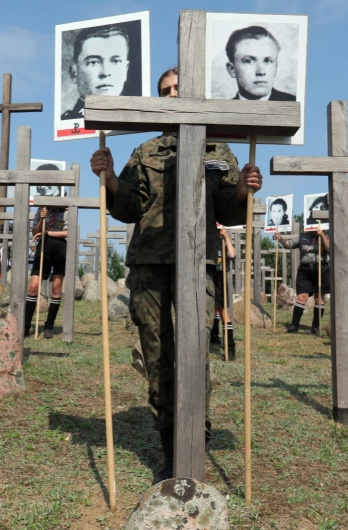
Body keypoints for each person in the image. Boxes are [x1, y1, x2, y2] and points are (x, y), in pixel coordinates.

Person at [89, 67, 263, 484]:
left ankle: (194, 441)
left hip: (197, 261)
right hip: (149, 262)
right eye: (165, 91)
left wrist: (243, 189)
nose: (172, 95)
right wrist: (110, 178)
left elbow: (227, 208)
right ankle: (169, 446)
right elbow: (130, 206)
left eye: (178, 88)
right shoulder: (145, 150)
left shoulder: (218, 148)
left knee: (194, 352)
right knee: (157, 352)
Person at [61, 25, 130, 120]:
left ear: (125, 70)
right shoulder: (68, 120)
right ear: (74, 73)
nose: (105, 72)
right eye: (93, 62)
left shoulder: (136, 116)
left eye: (115, 61)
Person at [275, 226, 330, 335]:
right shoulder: (302, 236)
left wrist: (322, 235)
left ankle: (315, 326)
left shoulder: (327, 236)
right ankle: (294, 325)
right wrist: (280, 239)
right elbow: (289, 244)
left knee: (319, 298)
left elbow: (330, 250)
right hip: (305, 270)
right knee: (301, 297)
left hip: (321, 269)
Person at [23, 206, 68, 339]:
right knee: (34, 286)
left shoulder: (66, 211)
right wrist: (42, 219)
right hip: (43, 248)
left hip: (60, 249)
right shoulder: (41, 209)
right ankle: (26, 326)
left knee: (56, 287)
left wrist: (48, 233)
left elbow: (67, 233)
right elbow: (35, 232)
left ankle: (49, 325)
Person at [225, 25, 295, 101]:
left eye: (267, 61)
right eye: (249, 61)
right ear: (231, 69)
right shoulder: (221, 110)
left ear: (275, 68)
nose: (261, 72)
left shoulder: (295, 103)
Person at [210, 226, 236, 360]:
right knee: (211, 308)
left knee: (222, 311)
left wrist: (226, 237)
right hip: (207, 275)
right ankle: (213, 335)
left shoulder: (223, 241)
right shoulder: (206, 237)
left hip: (219, 276)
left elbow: (232, 255)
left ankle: (230, 348)